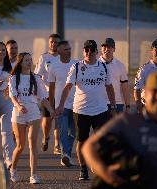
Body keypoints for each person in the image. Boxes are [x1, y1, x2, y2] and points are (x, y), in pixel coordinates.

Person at [82, 71, 157, 189]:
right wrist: (108, 176)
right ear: (145, 94)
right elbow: (89, 146)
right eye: (155, 91)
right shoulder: (128, 121)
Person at [55, 40, 116, 180]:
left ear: (96, 52)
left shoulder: (103, 67)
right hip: (81, 110)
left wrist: (112, 107)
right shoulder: (76, 67)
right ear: (83, 52)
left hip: (100, 110)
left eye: (91, 50)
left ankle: (96, 163)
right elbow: (67, 87)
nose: (89, 53)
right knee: (82, 141)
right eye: (86, 50)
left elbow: (110, 88)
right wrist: (60, 106)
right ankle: (83, 169)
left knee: (101, 140)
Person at [9, 52, 55, 184]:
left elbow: (43, 98)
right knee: (20, 145)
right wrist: (18, 106)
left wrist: (51, 110)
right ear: (20, 62)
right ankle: (13, 170)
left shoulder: (36, 78)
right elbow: (12, 96)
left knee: (32, 144)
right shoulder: (13, 78)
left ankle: (33, 175)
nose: (29, 62)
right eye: (26, 60)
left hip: (34, 112)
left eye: (30, 60)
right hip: (18, 113)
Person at [48, 41, 76, 167]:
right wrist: (51, 106)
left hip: (77, 104)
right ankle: (65, 154)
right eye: (66, 49)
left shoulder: (76, 64)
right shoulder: (53, 66)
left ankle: (67, 156)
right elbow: (52, 88)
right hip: (61, 105)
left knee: (73, 133)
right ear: (59, 51)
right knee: (63, 131)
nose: (69, 51)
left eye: (69, 49)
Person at [34, 33, 61, 154]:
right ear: (49, 43)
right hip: (47, 93)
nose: (54, 44)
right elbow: (37, 75)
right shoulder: (44, 57)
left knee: (60, 119)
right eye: (52, 42)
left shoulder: (63, 57)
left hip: (61, 94)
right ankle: (46, 137)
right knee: (47, 120)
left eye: (56, 42)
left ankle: (57, 145)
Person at [99, 38, 130, 113]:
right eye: (104, 47)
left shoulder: (120, 66)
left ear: (114, 49)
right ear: (101, 49)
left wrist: (127, 105)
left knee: (118, 125)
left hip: (117, 104)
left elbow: (124, 87)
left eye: (109, 47)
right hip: (99, 104)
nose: (107, 49)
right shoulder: (95, 65)